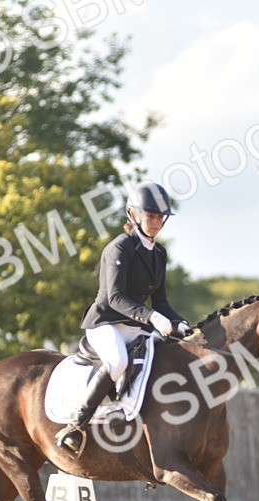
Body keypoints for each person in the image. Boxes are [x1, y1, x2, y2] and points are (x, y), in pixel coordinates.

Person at [56, 180, 191, 454]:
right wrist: (152, 317)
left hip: (135, 326)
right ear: (134, 215)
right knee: (118, 361)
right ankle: (75, 425)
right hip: (105, 322)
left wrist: (180, 323)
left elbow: (161, 301)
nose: (155, 222)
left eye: (159, 217)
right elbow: (115, 297)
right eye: (150, 216)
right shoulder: (119, 249)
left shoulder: (159, 254)